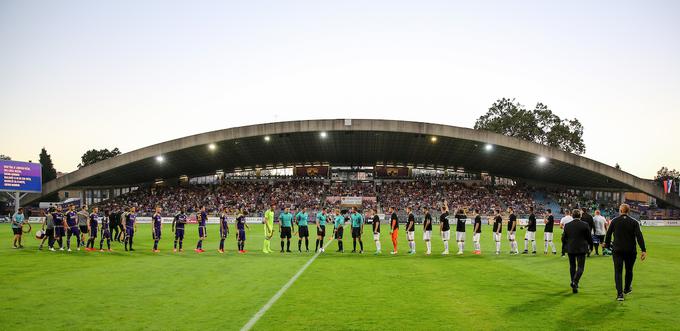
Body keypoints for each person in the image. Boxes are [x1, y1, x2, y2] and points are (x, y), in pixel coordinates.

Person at [603, 204, 647, 301]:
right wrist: (643, 250)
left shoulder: (614, 221)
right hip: (630, 250)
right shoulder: (634, 222)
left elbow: (608, 234)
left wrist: (606, 245)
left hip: (617, 250)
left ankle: (619, 294)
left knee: (618, 272)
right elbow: (639, 236)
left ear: (620, 211)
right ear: (628, 211)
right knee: (629, 270)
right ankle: (627, 289)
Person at [563, 209, 593, 294]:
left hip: (571, 248)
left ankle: (574, 284)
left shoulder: (567, 225)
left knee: (572, 266)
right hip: (581, 248)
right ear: (580, 216)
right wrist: (591, 246)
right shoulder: (585, 224)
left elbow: (564, 238)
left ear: (572, 215)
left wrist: (565, 246)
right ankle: (575, 282)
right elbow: (589, 237)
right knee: (580, 267)